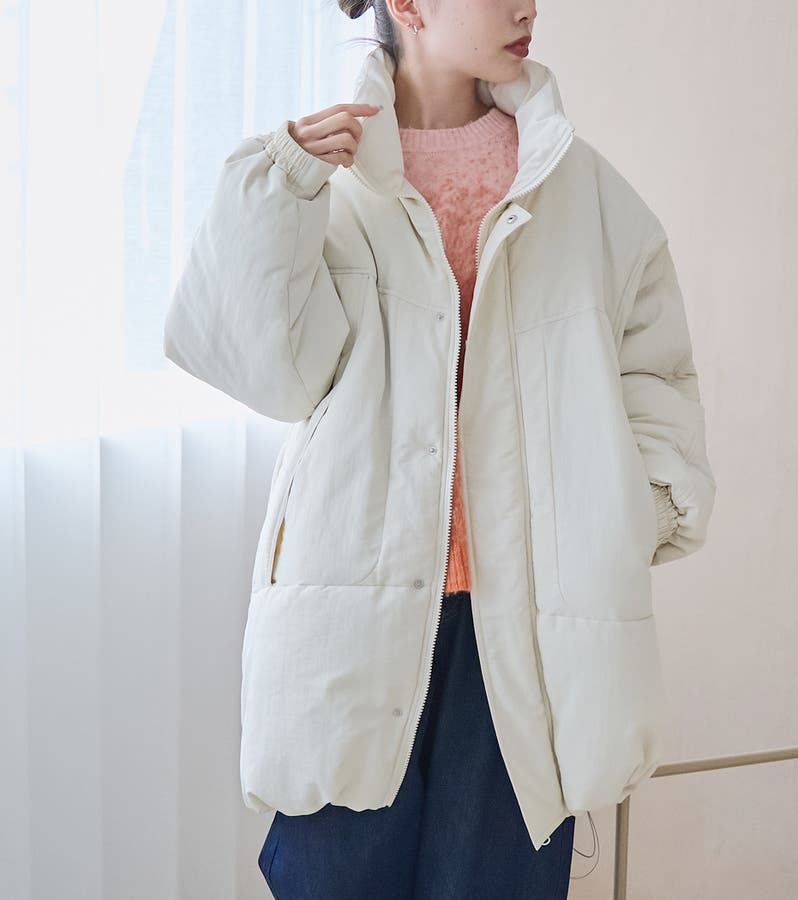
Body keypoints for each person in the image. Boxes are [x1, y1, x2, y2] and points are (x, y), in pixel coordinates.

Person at [163, 0, 716, 896]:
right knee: (333, 876)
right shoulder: (325, 180)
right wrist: (276, 195)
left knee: (495, 881)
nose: (527, 7)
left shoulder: (583, 189)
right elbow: (266, 373)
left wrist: (627, 515)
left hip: (527, 621)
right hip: (358, 603)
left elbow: (656, 378)